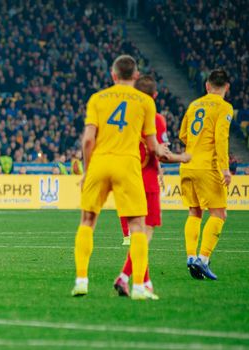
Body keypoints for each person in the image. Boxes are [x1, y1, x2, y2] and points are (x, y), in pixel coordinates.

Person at [71, 55, 170, 300]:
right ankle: (138, 286)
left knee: (87, 221)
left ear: (113, 75)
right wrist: (177, 157)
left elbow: (87, 140)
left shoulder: (97, 99)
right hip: (128, 165)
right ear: (136, 76)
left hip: (101, 163)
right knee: (137, 226)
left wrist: (86, 171)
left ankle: (82, 280)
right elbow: (152, 146)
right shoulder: (146, 102)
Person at [114, 75, 191, 297]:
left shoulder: (124, 118)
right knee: (144, 236)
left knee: (137, 234)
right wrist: (182, 157)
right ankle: (129, 279)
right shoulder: (155, 119)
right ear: (155, 96)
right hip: (146, 182)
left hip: (126, 179)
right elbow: (160, 152)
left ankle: (142, 282)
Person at [179, 69, 233, 280]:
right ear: (226, 87)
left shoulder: (194, 105)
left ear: (207, 86)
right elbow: (221, 138)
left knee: (194, 212)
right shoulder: (224, 107)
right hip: (207, 167)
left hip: (187, 164)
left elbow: (183, 134)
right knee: (219, 214)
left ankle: (191, 257)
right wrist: (225, 168)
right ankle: (203, 258)